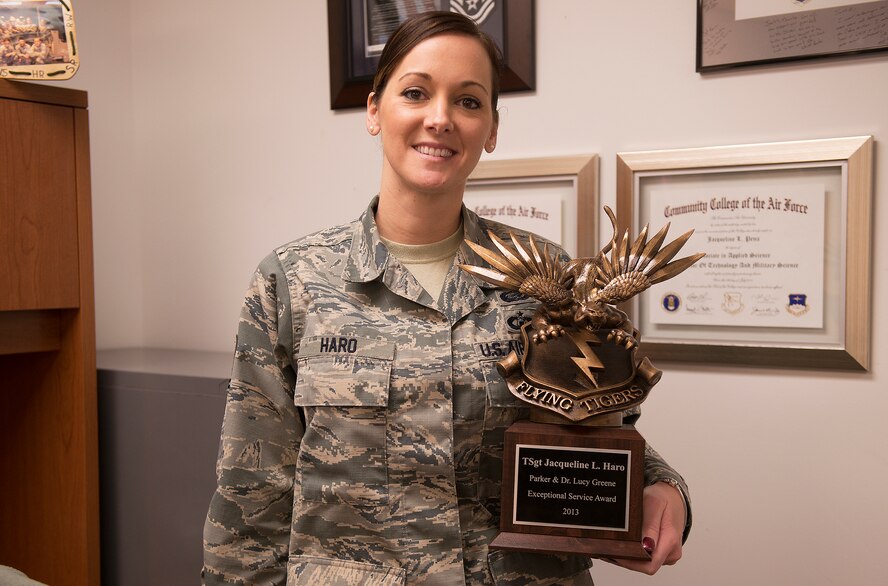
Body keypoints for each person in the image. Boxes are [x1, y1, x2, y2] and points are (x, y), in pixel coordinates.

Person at [202, 11, 690, 585]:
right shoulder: (294, 282)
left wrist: (663, 487)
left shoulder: (552, 279)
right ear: (374, 111)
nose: (440, 119)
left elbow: (601, 425)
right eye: (415, 93)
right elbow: (251, 494)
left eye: (468, 101)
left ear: (492, 129)